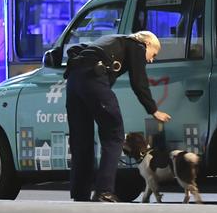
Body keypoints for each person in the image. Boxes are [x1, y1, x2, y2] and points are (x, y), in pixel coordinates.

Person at [64, 30, 171, 202]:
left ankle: (79, 192)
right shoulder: (136, 45)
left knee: (81, 139)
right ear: (147, 44)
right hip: (93, 78)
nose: (151, 59)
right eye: (154, 54)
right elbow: (139, 82)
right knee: (114, 135)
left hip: (74, 80)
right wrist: (153, 110)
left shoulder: (111, 40)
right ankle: (104, 191)